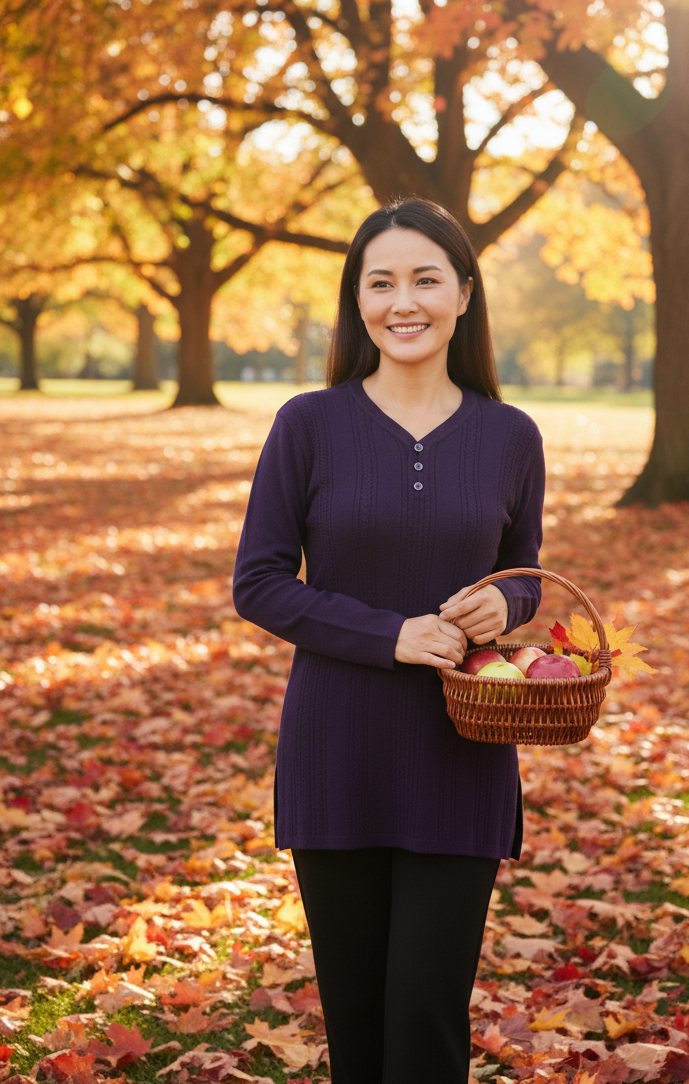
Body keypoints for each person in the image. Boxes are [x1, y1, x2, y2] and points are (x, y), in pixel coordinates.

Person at [233, 197, 545, 1084]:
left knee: (425, 1020)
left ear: (463, 295)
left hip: (463, 755)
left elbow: (521, 572)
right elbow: (257, 583)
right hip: (337, 749)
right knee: (359, 1026)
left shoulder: (510, 435)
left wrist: (505, 605)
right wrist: (392, 636)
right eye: (380, 282)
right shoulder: (308, 424)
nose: (401, 302)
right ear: (357, 301)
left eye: (424, 279)